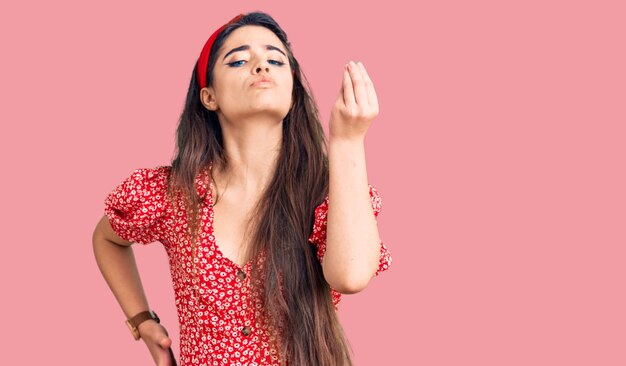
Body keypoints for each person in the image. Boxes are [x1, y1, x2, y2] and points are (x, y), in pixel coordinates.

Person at [92, 11, 392, 366]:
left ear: (293, 91)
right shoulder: (172, 193)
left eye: (275, 60)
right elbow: (107, 239)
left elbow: (351, 275)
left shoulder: (328, 191)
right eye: (238, 60)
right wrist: (142, 322)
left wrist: (347, 141)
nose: (261, 66)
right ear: (209, 96)